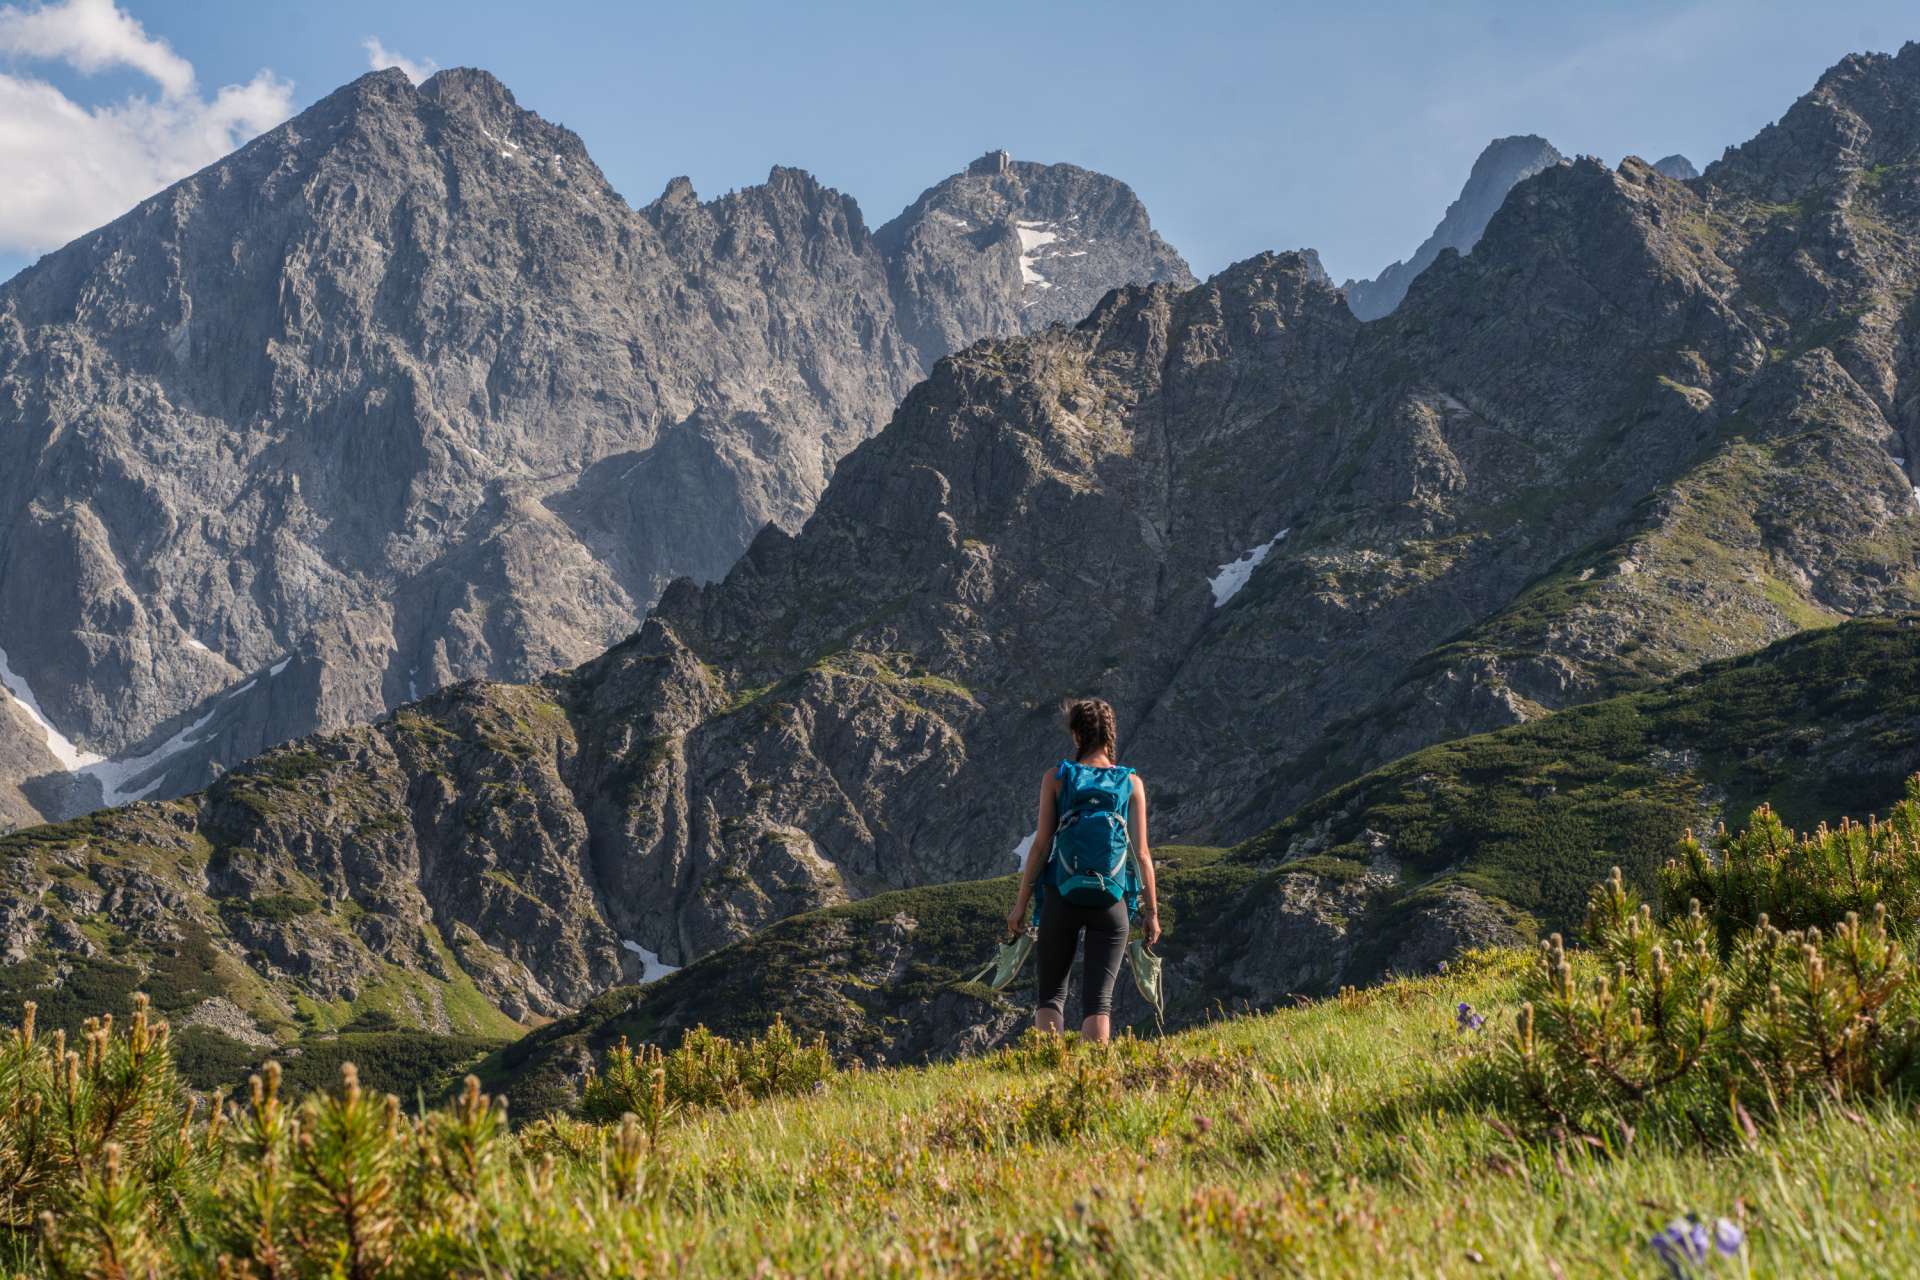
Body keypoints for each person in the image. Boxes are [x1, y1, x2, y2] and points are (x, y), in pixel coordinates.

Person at [1005, 698, 1160, 1043]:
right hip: (1111, 901)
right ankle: (1095, 1083)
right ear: (1110, 735)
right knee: (1099, 1004)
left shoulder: (1057, 778)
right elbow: (1143, 854)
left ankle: (1048, 1067)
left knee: (1050, 997)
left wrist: (1020, 905)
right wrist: (1151, 913)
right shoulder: (1131, 783)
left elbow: (1042, 844)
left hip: (1062, 896)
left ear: (1076, 735)